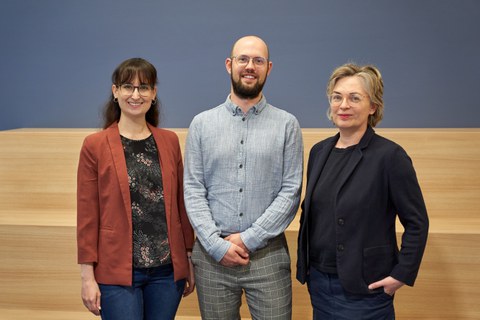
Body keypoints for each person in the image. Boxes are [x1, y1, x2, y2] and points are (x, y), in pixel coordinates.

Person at [183, 35, 303, 319]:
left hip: (267, 256)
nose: (250, 66)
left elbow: (290, 191)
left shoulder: (287, 125)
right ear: (229, 64)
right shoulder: (201, 124)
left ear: (268, 68)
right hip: (212, 257)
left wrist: (248, 239)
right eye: (243, 59)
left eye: (258, 60)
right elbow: (193, 188)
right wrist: (215, 244)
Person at [296, 63, 429, 319]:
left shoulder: (390, 157)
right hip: (319, 285)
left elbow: (417, 222)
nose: (343, 105)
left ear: (372, 107)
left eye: (354, 98)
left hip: (366, 290)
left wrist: (401, 274)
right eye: (337, 97)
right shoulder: (319, 152)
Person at [77, 57, 195, 320]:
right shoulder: (94, 145)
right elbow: (87, 215)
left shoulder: (169, 141)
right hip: (117, 271)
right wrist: (87, 276)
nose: (135, 94)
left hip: (166, 272)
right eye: (128, 86)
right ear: (115, 92)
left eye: (144, 87)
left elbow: (180, 204)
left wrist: (188, 256)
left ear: (153, 94)